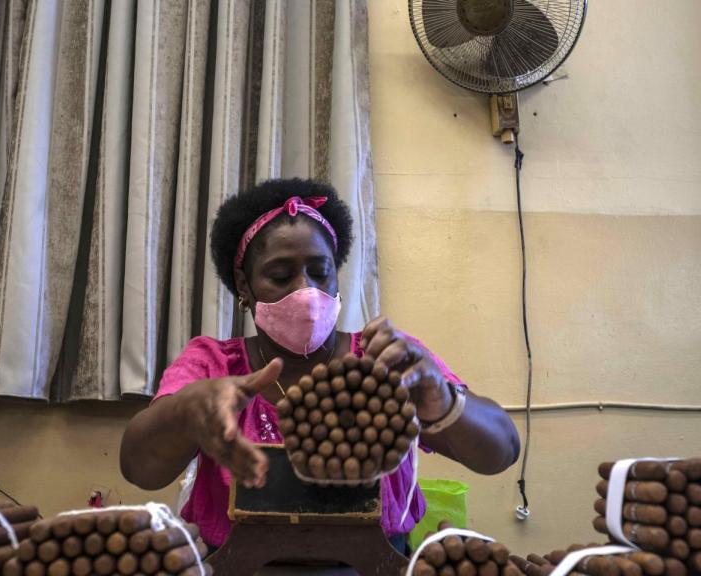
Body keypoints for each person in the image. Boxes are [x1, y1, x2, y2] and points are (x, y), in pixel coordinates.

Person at [120, 178, 520, 552]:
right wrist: (185, 412)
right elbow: (139, 468)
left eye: (320, 272)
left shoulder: (388, 359)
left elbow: (501, 452)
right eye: (280, 275)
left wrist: (441, 398)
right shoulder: (214, 364)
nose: (305, 291)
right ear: (245, 286)